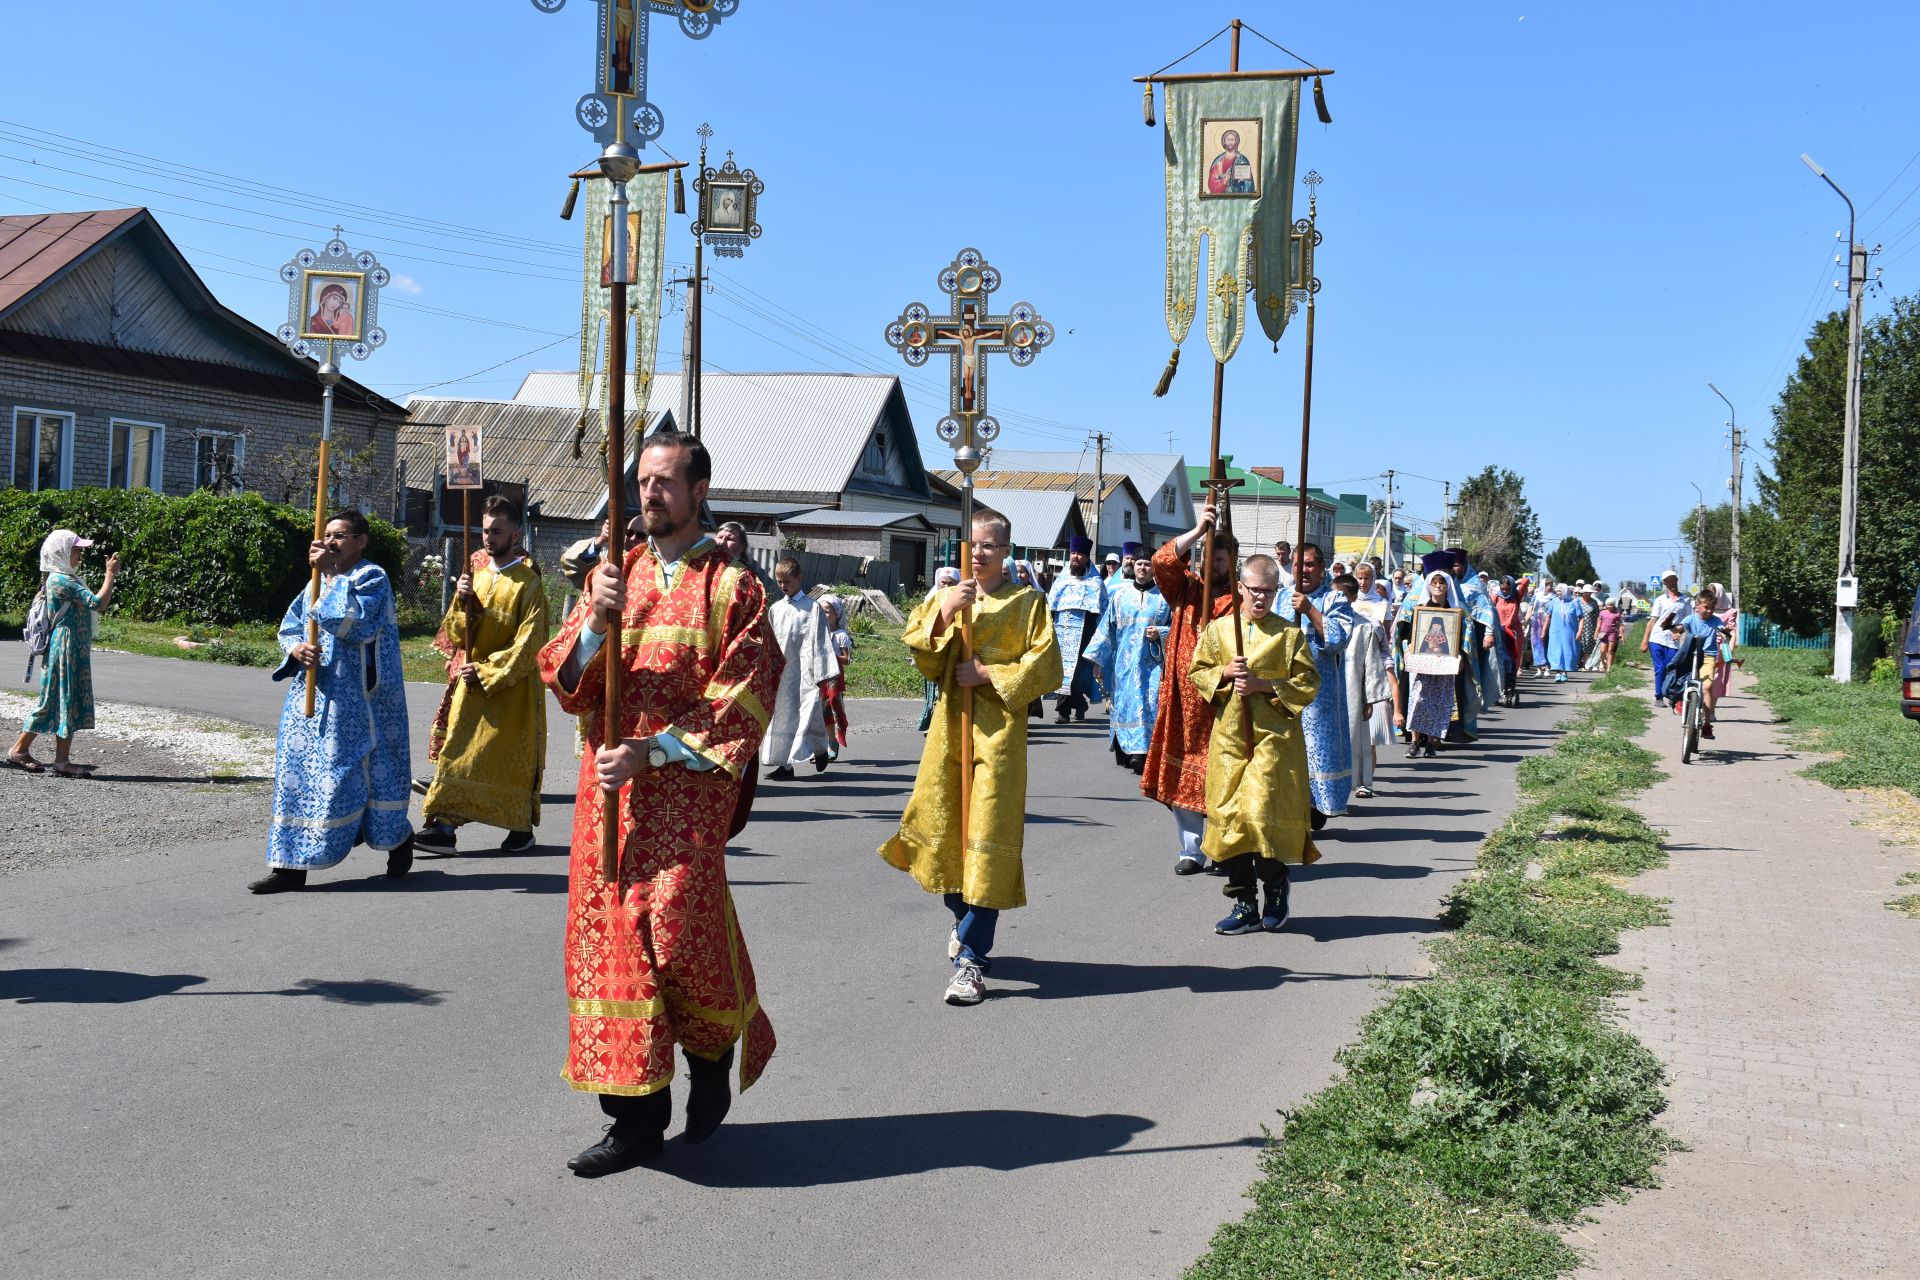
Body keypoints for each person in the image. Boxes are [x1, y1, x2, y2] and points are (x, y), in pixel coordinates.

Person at [536, 428, 781, 1175]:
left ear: (699, 491)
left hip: (684, 793)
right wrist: (593, 626)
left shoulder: (734, 588)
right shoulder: (614, 576)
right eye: (643, 481)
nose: (650, 493)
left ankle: (711, 1055)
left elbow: (743, 698)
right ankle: (634, 1123)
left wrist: (656, 749)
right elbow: (569, 680)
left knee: (676, 940)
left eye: (666, 481)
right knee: (612, 952)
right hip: (609, 795)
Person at [880, 507, 1061, 1006]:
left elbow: (1047, 667)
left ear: (1006, 551)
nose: (978, 553)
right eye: (971, 545)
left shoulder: (1029, 605)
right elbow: (924, 656)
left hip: (999, 738)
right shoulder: (948, 597)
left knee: (989, 838)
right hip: (950, 733)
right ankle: (963, 922)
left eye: (988, 546)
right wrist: (943, 612)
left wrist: (987, 674)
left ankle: (972, 961)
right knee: (949, 834)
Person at [251, 512, 414, 894]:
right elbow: (290, 624)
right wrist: (296, 648)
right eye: (326, 535)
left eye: (340, 536)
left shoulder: (372, 577)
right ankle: (288, 867)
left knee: (350, 777)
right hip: (313, 694)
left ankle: (397, 839)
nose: (331, 542)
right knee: (297, 773)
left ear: (361, 541)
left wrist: (330, 577)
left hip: (360, 702)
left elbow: (354, 624)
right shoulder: (316, 581)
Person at [1193, 555, 1323, 934]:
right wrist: (1224, 673)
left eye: (1268, 591)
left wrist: (1264, 685)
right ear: (1240, 588)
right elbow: (1196, 672)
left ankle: (1276, 889)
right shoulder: (1218, 631)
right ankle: (1244, 902)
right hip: (1230, 739)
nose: (1261, 598)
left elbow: (1309, 683)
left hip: (1273, 741)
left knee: (1260, 813)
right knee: (1231, 819)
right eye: (1254, 590)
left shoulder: (1288, 635)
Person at [416, 497, 550, 857]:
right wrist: (463, 603)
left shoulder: (528, 582)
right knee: (458, 752)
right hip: (471, 683)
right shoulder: (473, 574)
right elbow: (458, 634)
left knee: (506, 761)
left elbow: (530, 643)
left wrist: (488, 671)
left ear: (515, 533)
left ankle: (519, 828)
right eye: (485, 531)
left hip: (511, 690)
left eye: (497, 531)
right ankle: (443, 828)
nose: (488, 538)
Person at [1143, 506, 1239, 875]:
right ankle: (1192, 850)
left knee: (1222, 775)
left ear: (1231, 562)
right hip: (1183, 703)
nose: (1211, 564)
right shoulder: (1186, 589)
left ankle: (1224, 847)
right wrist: (1200, 529)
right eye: (1206, 557)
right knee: (1183, 775)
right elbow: (1161, 561)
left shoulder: (1240, 600)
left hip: (1220, 702)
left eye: (1219, 558)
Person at [9, 530, 119, 777]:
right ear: (61, 552)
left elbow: (100, 604)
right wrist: (110, 574)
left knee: (58, 702)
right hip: (66, 647)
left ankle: (35, 754)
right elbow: (97, 603)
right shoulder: (62, 580)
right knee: (59, 700)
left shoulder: (65, 578)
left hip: (72, 647)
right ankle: (46, 757)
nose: (80, 554)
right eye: (76, 549)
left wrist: (110, 577)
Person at [1275, 543, 1352, 825]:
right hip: (1282, 689)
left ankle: (1317, 805)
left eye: (1309, 565)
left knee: (1315, 747)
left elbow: (1338, 639)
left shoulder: (1334, 600)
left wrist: (1309, 610)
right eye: (1298, 564)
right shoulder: (1279, 598)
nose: (1303, 570)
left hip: (1320, 695)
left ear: (1321, 568)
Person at [1084, 549, 1171, 772]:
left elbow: (1178, 630)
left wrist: (1162, 633)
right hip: (1124, 665)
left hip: (1153, 667)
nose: (1142, 568)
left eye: (1147, 565)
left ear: (1154, 569)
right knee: (1125, 706)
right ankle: (1126, 750)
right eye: (1139, 564)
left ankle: (1142, 754)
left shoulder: (1164, 598)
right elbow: (1106, 630)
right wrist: (1097, 661)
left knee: (1149, 706)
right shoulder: (1120, 596)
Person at [761, 556, 840, 780]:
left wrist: (822, 672)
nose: (783, 586)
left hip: (805, 671)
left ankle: (820, 750)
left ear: (799, 578)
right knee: (782, 716)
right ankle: (785, 765)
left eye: (787, 582)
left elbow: (821, 640)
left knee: (808, 713)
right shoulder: (776, 609)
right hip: (781, 672)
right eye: (779, 582)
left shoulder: (811, 608)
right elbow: (769, 641)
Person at [1334, 573, 1392, 799]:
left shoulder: (1364, 626)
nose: (1338, 599)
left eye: (1343, 595)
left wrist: (1370, 698)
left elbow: (1372, 663)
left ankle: (1359, 783)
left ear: (1353, 597)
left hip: (1353, 691)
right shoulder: (1322, 621)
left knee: (1355, 737)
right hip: (1327, 691)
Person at [1047, 534, 1107, 722]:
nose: (1075, 557)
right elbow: (1051, 607)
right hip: (1062, 633)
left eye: (1080, 554)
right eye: (1073, 553)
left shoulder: (1095, 583)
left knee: (1080, 675)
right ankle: (1063, 712)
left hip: (1086, 633)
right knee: (1063, 672)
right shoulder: (1061, 581)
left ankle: (1080, 704)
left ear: (1087, 558)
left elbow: (1104, 611)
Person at [1404, 570, 1464, 758]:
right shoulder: (1420, 609)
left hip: (1444, 664)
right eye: (1434, 583)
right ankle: (1415, 742)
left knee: (1438, 702)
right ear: (1428, 587)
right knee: (1417, 700)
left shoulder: (1454, 611)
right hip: (1422, 661)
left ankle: (1431, 742)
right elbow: (1413, 635)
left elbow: (1457, 639)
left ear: (1448, 587)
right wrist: (1413, 645)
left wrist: (1457, 654)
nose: (1438, 586)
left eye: (1442, 583)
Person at [918, 566, 961, 733]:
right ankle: (935, 724)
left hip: (955, 654)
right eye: (943, 582)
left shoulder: (965, 603)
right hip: (936, 654)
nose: (947, 586)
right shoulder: (930, 602)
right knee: (936, 692)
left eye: (952, 583)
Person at [1641, 569, 1690, 702]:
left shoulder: (1685, 600)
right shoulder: (1660, 600)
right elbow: (1652, 621)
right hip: (1656, 638)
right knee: (1660, 668)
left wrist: (1679, 631)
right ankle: (1659, 696)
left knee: (1671, 668)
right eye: (1668, 581)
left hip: (1673, 641)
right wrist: (1645, 640)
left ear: (1677, 580)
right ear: (1664, 583)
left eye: (1673, 579)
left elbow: (1687, 622)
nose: (1671, 583)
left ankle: (1669, 692)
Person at [820, 596, 852, 758]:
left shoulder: (840, 636)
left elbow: (846, 660)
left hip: (834, 676)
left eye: (827, 612)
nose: (823, 615)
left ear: (836, 614)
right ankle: (828, 742)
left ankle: (839, 733)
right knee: (822, 708)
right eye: (821, 611)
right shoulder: (818, 634)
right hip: (819, 675)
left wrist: (831, 654)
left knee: (834, 704)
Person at [1545, 582, 1583, 683]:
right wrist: (1544, 630)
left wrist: (1579, 631)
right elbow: (1548, 616)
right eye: (1557, 591)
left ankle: (1564, 672)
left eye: (1560, 591)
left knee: (1567, 651)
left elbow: (1581, 617)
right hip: (1555, 631)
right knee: (1556, 650)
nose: (1558, 593)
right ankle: (1558, 672)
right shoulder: (1553, 601)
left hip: (1569, 631)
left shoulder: (1574, 602)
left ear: (1565, 591)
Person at [1596, 595, 1624, 674]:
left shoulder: (1617, 614)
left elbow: (1620, 625)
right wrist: (1596, 633)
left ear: (1614, 605)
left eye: (1611, 605)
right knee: (1603, 650)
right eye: (1608, 604)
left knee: (1610, 650)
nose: (1610, 606)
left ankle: (1609, 668)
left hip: (1613, 633)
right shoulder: (1602, 613)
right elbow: (1599, 623)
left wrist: (1621, 634)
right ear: (1606, 605)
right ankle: (1603, 662)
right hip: (1603, 633)